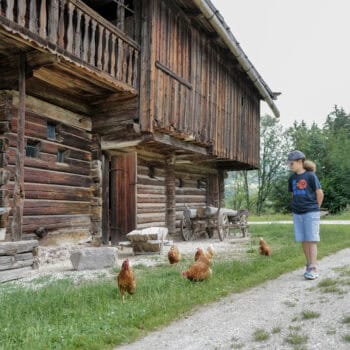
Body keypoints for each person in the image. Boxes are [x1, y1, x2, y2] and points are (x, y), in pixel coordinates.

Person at [287, 150, 324, 280]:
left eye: (291, 163)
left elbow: (319, 193)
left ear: (300, 162)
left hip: (311, 212)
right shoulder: (292, 178)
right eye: (289, 163)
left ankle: (314, 268)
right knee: (303, 239)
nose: (290, 166)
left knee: (311, 239)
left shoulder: (310, 176)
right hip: (297, 213)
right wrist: (295, 208)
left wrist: (315, 208)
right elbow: (293, 195)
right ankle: (308, 265)